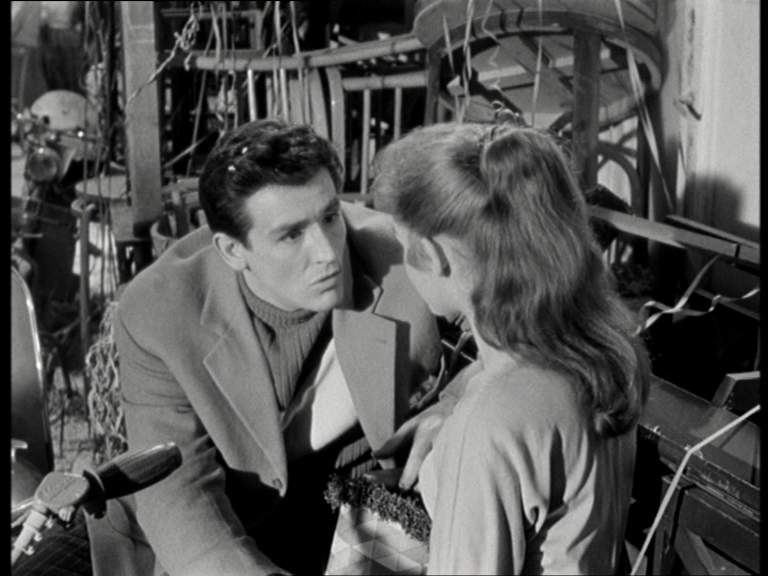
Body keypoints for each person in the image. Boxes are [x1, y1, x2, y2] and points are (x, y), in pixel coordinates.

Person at [83, 119, 445, 576]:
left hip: (363, 521)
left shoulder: (403, 256)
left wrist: (454, 405)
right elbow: (180, 496)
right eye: (291, 235)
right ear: (232, 251)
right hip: (227, 543)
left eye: (330, 217)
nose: (328, 253)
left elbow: (522, 336)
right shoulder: (159, 312)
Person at [372, 121, 651, 575]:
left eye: (403, 245)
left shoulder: (492, 417)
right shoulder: (601, 351)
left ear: (431, 255)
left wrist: (467, 426)